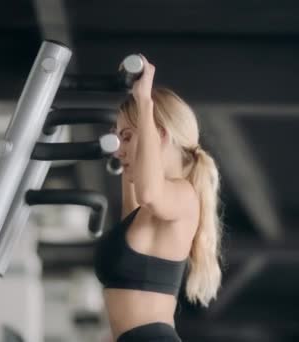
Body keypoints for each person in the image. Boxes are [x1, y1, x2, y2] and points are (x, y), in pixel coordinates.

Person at [93, 55, 223, 341]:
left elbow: (149, 192)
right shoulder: (144, 215)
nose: (119, 149)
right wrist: (130, 104)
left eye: (126, 137)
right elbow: (140, 193)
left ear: (159, 136)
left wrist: (145, 101)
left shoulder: (184, 196)